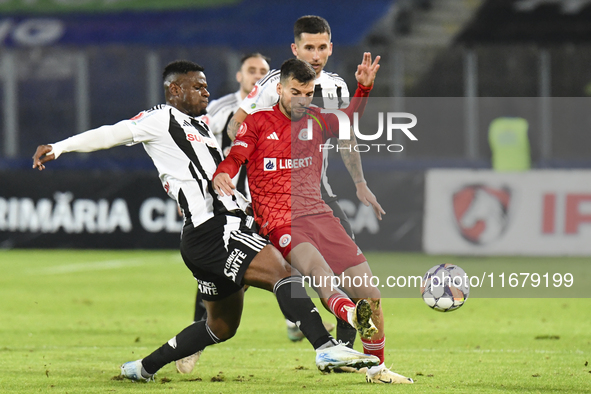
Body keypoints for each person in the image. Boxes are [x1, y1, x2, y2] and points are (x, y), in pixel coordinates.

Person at [31, 60, 382, 382]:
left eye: (206, 86)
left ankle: (142, 368)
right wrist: (59, 147)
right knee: (283, 273)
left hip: (207, 236)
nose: (206, 91)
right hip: (215, 230)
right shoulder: (160, 119)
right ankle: (324, 346)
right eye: (197, 86)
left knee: (221, 326)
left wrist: (243, 201)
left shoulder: (199, 126)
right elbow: (112, 133)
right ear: (174, 91)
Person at [213, 58, 413, 384]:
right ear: (279, 89)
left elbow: (349, 121)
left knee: (370, 292)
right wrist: (224, 172)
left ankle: (377, 370)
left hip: (320, 215)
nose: (303, 100)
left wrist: (364, 88)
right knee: (317, 269)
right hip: (281, 220)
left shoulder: (317, 119)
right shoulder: (259, 122)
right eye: (296, 92)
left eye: (308, 93)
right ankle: (348, 313)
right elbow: (236, 156)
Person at [226, 15, 385, 347]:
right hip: (268, 202)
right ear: (295, 48)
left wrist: (359, 182)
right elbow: (234, 126)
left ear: (330, 47)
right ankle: (201, 336)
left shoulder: (338, 86)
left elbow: (345, 134)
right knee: (231, 277)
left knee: (348, 274)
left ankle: (343, 353)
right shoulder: (274, 83)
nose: (315, 55)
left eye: (321, 47)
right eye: (308, 48)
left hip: (317, 196)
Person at [176, 52, 335, 375]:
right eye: (251, 71)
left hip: (269, 205)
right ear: (240, 76)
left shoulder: (281, 113)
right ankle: (196, 341)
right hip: (230, 207)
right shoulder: (221, 112)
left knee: (289, 261)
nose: (256, 76)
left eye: (262, 71)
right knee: (226, 277)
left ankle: (297, 322)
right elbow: (192, 150)